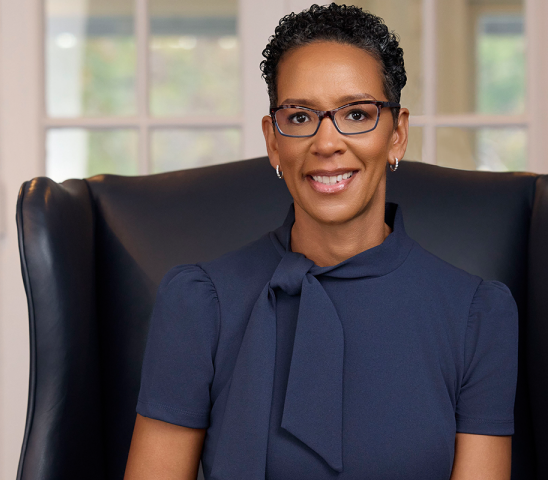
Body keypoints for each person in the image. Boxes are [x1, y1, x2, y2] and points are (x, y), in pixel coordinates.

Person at [124, 4, 518, 479]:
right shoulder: (198, 303)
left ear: (398, 135)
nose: (327, 142)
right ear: (273, 140)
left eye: (356, 114)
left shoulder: (476, 316)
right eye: (300, 116)